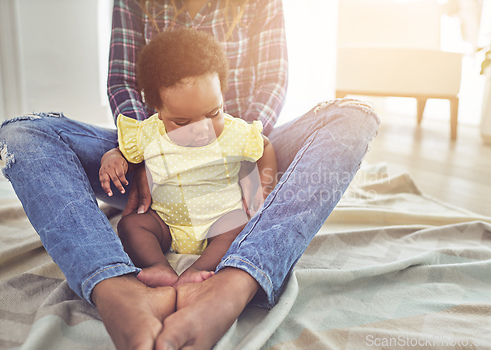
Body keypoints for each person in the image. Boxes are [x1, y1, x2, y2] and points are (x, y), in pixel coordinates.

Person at [0, 0, 379, 349]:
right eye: (186, 120)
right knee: (21, 133)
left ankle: (235, 281)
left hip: (244, 137)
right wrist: (144, 151)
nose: (197, 127)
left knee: (354, 118)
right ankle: (116, 284)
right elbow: (121, 81)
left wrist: (236, 156)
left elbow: (271, 85)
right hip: (153, 154)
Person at [99, 28, 277, 288]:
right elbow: (124, 150)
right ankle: (158, 266)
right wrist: (112, 158)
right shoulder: (149, 132)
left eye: (213, 112)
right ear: (158, 111)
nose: (202, 128)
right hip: (166, 223)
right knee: (130, 225)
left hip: (219, 221)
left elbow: (265, 145)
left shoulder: (235, 132)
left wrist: (263, 187)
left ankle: (199, 270)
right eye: (182, 122)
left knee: (240, 226)